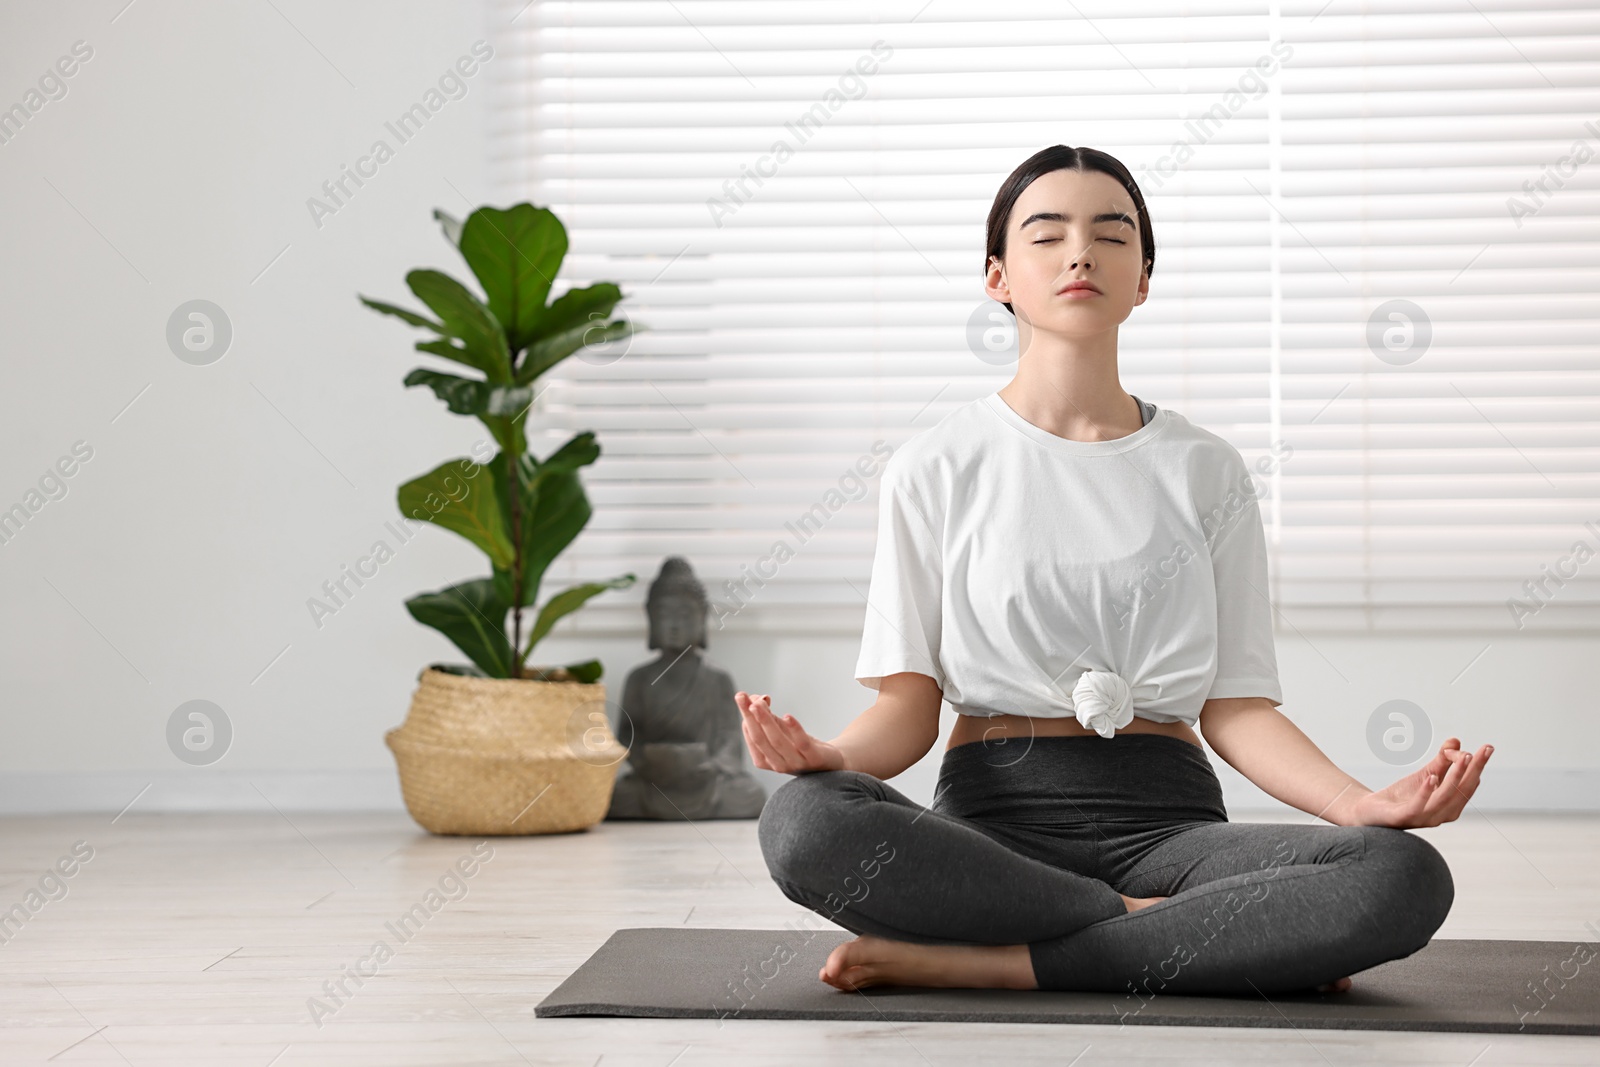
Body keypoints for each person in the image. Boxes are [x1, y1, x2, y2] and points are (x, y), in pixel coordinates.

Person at [735, 145, 1494, 998]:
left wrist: (1361, 805)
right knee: (803, 821)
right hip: (989, 835)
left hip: (1171, 830)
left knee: (1402, 873)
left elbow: (1237, 707)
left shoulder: (1207, 469)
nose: (1080, 253)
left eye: (1111, 233)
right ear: (998, 277)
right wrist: (824, 755)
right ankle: (1160, 930)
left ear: (1142, 280)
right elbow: (907, 713)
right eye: (1047, 233)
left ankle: (998, 960)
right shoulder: (934, 466)